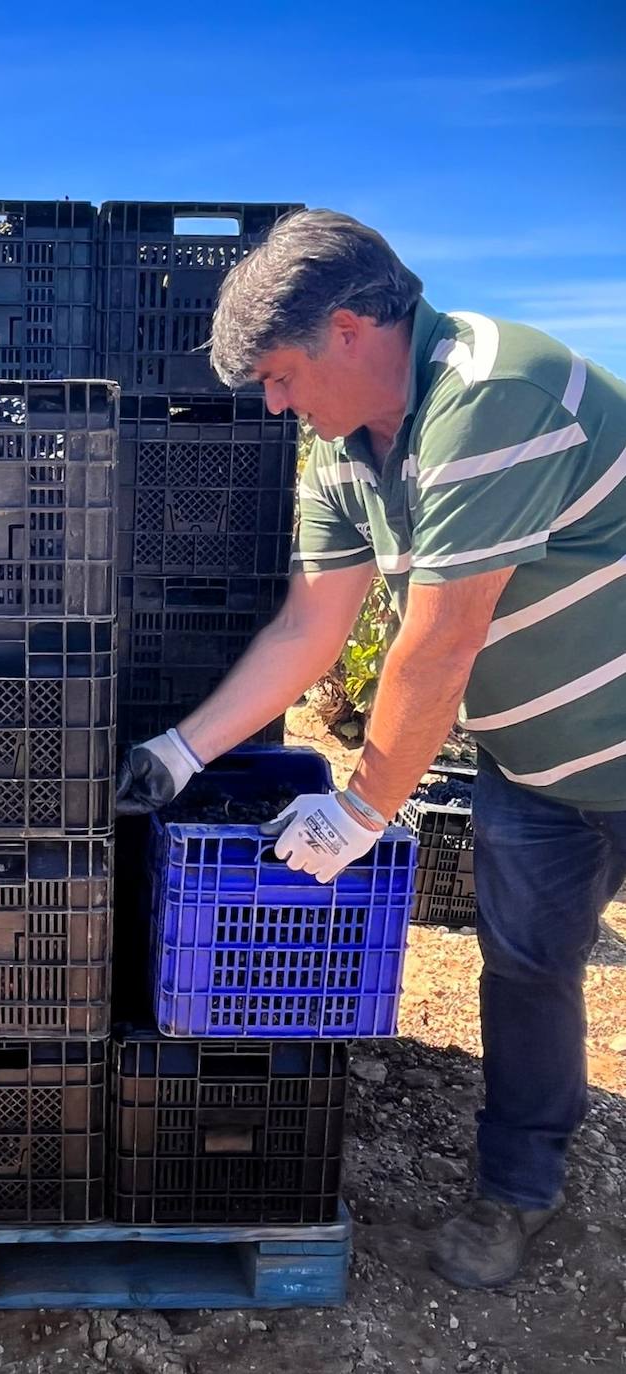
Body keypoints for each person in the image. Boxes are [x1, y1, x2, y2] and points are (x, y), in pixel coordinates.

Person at [115, 209, 626, 1289]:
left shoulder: (493, 395)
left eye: (282, 373)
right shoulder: (341, 455)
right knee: (528, 972)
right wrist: (180, 749)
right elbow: (311, 628)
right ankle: (518, 1191)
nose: (273, 401)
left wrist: (361, 807)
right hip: (536, 769)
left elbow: (436, 646)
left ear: (349, 328)